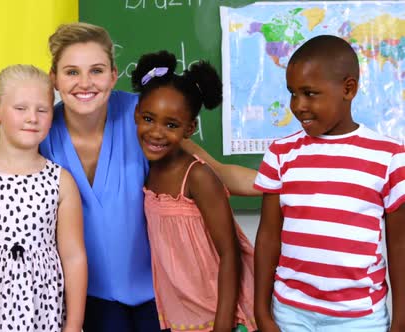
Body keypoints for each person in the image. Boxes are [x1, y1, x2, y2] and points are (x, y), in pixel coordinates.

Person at [40, 22, 260, 332]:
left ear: (114, 75)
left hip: (159, 293)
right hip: (85, 296)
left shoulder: (144, 115)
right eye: (72, 72)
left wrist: (296, 182)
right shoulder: (40, 130)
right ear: (54, 78)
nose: (85, 83)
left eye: (97, 71)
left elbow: (218, 172)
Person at [254, 34, 405, 332]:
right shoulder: (281, 154)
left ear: (348, 89)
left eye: (310, 93)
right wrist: (262, 311)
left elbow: (399, 243)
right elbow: (268, 236)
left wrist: (401, 320)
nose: (298, 106)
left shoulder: (389, 156)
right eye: (292, 93)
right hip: (290, 312)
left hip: (360, 317)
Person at [0, 64, 87, 332]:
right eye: (20, 108)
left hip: (43, 312)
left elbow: (73, 257)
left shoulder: (61, 181)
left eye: (42, 109)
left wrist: (73, 325)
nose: (32, 118)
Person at [131, 50, 257, 332]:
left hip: (218, 313)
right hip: (181, 315)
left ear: (190, 129)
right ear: (136, 114)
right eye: (148, 119)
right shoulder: (148, 169)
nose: (156, 133)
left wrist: (223, 323)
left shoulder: (197, 176)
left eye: (171, 125)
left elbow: (230, 252)